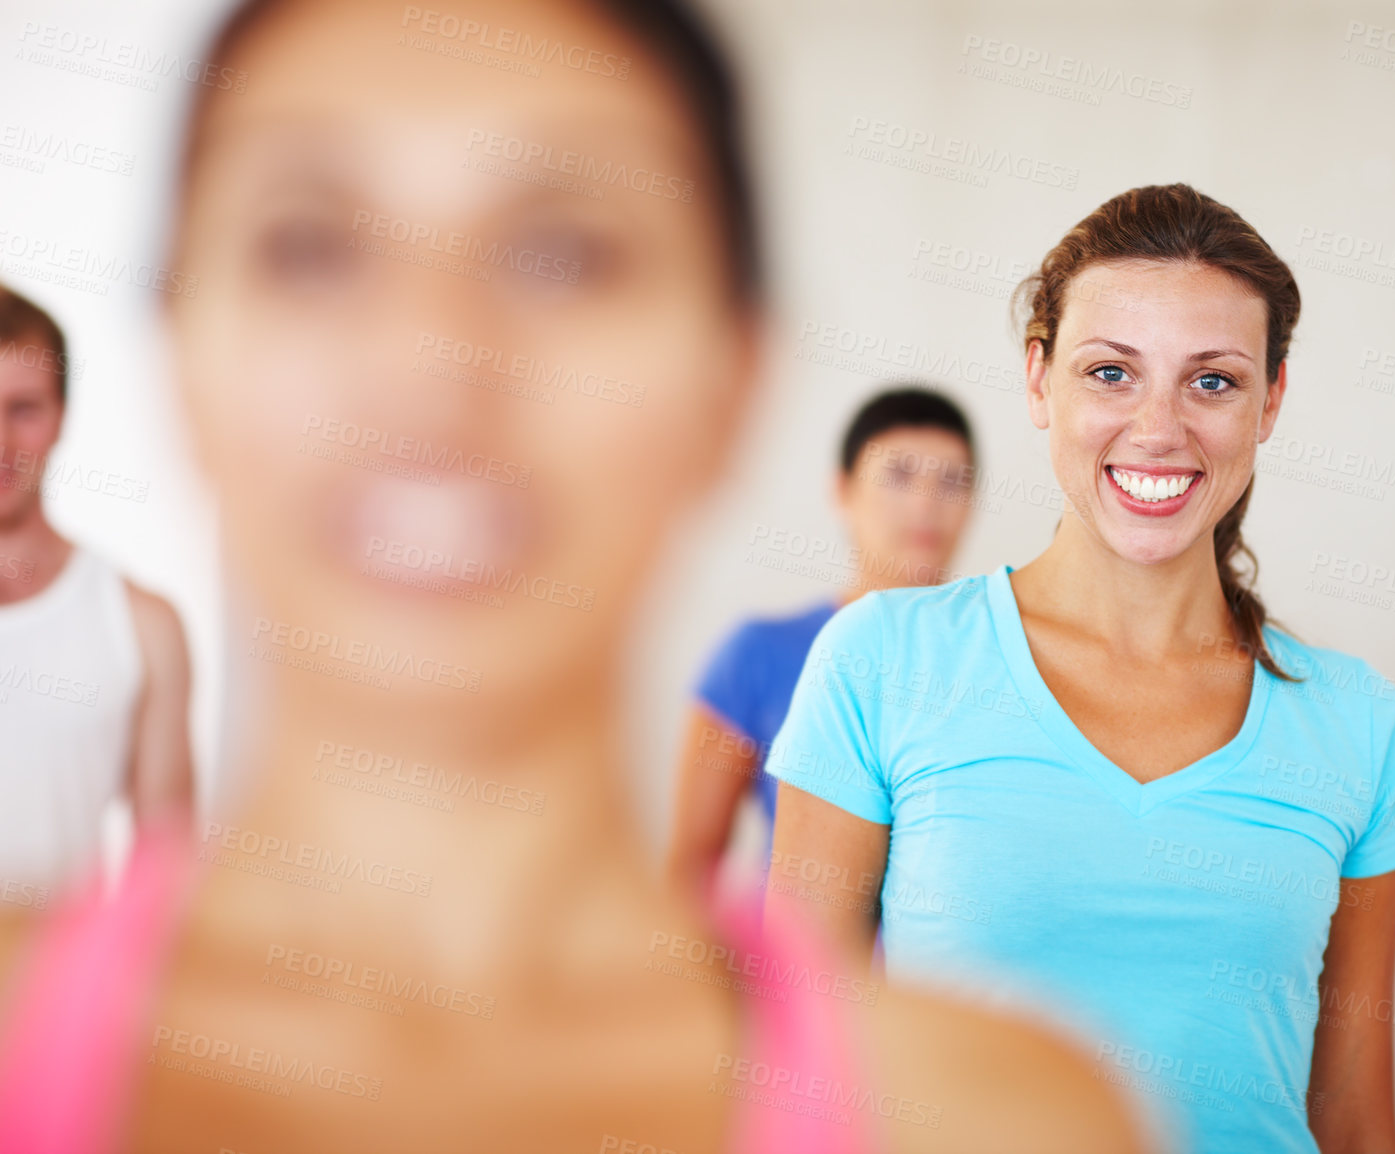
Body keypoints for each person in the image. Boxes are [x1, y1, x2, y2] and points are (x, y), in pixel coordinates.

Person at [0, 2, 1151, 1152]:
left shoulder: (1003, 1122)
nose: (430, 365)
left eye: (562, 255)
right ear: (177, 353)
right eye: (311, 245)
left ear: (734, 378)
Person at [765, 184, 1395, 1154]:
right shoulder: (882, 658)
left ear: (1271, 399)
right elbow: (799, 1070)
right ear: (1039, 380)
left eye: (1212, 380)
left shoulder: (1360, 721)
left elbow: (1350, 1112)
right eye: (1111, 372)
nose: (1158, 428)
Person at [668, 386, 975, 899]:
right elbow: (691, 875)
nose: (927, 503)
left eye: (952, 482)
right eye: (900, 476)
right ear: (843, 490)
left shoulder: (1001, 660)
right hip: (799, 972)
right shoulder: (758, 654)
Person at [0, 286, 194, 900]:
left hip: (52, 993)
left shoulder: (141, 625)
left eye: (23, 408)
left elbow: (163, 875)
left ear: (62, 416)